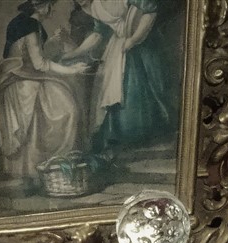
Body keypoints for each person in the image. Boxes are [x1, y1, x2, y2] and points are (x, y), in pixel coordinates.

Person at [0, 0, 91, 184]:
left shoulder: (23, 22)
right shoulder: (31, 25)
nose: (53, 9)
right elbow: (40, 64)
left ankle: (40, 173)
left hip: (23, 77)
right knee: (68, 110)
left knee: (64, 102)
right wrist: (73, 70)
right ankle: (54, 166)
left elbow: (32, 53)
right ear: (42, 6)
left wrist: (53, 41)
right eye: (51, 4)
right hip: (23, 83)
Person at [63, 0, 178, 156]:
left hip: (142, 42)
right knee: (110, 90)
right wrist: (73, 54)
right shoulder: (95, 6)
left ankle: (146, 138)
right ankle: (119, 140)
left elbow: (149, 12)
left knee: (137, 89)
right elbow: (98, 34)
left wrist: (134, 39)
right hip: (119, 45)